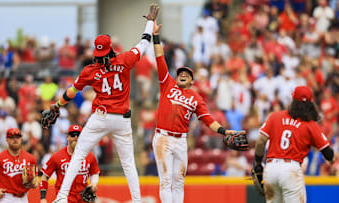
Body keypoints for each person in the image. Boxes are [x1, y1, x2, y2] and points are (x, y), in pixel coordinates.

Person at [48, 4, 159, 203]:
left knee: (79, 154)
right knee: (128, 163)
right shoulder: (124, 58)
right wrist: (150, 22)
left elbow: (72, 92)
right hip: (122, 119)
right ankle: (136, 200)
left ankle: (62, 197)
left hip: (101, 117)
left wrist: (57, 104)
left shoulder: (89, 70)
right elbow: (144, 42)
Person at [152, 21, 246, 203]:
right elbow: (160, 58)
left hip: (180, 140)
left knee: (179, 180)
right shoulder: (167, 83)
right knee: (165, 181)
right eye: (180, 73)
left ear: (192, 82)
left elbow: (208, 119)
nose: (182, 74)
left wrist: (225, 131)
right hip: (163, 138)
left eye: (186, 74)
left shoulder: (195, 97)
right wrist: (155, 37)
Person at [253, 86, 335, 203]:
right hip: (291, 170)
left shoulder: (275, 116)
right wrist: (332, 161)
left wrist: (257, 164)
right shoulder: (310, 125)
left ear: (293, 101)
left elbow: (261, 141)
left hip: (271, 168)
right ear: (310, 104)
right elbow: (328, 153)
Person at [40, 124, 99, 203]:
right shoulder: (57, 156)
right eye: (72, 135)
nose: (76, 137)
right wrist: (43, 198)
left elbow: (94, 172)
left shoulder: (90, 155)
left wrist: (93, 184)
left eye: (78, 135)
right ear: (67, 137)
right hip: (64, 199)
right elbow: (45, 176)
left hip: (83, 198)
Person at [0, 128, 38, 203]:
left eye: (17, 137)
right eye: (12, 137)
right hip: (6, 197)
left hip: (24, 197)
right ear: (7, 140)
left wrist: (33, 184)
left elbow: (35, 180)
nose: (15, 140)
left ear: (21, 139)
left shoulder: (30, 158)